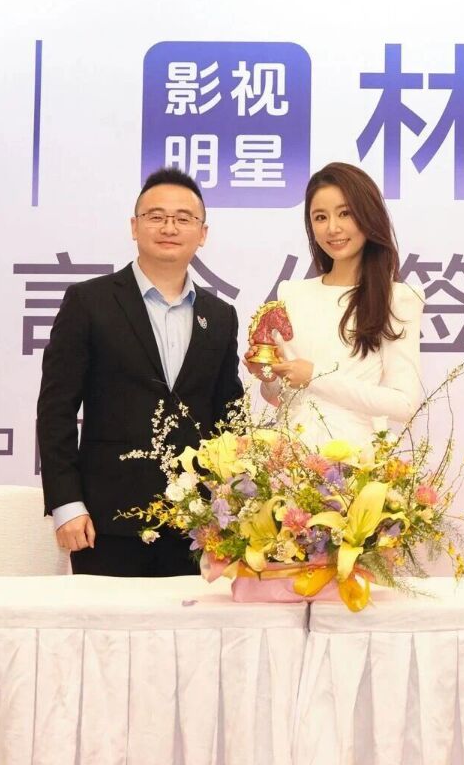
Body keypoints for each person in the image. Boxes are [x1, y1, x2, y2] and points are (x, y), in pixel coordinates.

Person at [37, 168, 245, 575]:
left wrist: (234, 503)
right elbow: (55, 410)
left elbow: (228, 415)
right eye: (156, 216)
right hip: (106, 520)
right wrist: (66, 504)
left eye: (183, 218)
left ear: (202, 233)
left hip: (198, 525)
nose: (169, 227)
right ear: (135, 227)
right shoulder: (89, 302)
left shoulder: (220, 316)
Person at [251, 161, 424, 447]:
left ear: (369, 216)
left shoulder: (397, 298)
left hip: (355, 461)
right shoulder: (292, 294)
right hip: (288, 456)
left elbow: (403, 404)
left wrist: (315, 376)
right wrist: (267, 375)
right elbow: (280, 396)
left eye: (345, 213)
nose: (333, 228)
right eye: (320, 217)